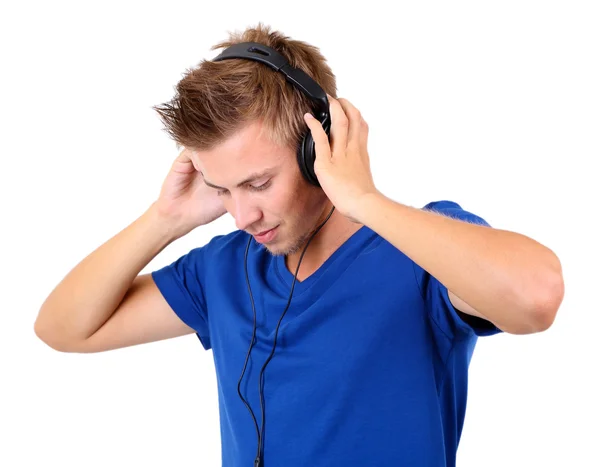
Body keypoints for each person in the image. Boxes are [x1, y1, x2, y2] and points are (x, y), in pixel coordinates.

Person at [34, 23, 564, 467]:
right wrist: (164, 220)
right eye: (223, 189)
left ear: (319, 148)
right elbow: (63, 328)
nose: (242, 216)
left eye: (258, 183)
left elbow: (536, 297)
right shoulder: (222, 269)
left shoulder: (423, 251)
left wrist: (361, 197)